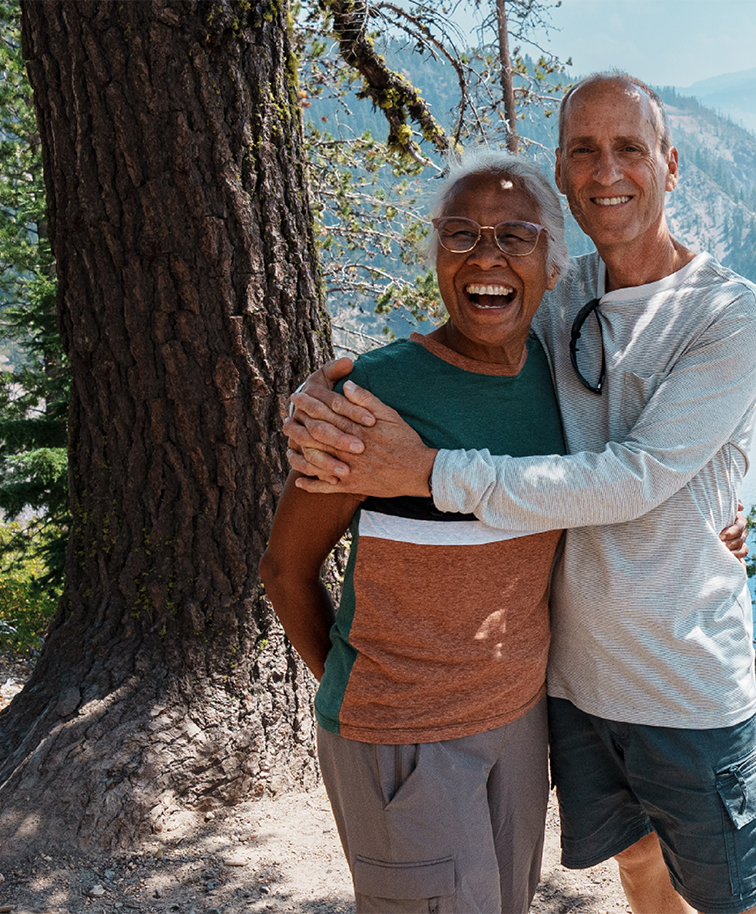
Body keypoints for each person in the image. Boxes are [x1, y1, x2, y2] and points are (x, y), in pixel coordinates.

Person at [287, 71, 756, 914]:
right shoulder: (561, 299)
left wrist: (429, 474)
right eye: (585, 150)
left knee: (736, 900)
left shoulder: (729, 312)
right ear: (561, 169)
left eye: (630, 148)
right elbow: (466, 355)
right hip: (572, 685)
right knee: (637, 870)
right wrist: (320, 399)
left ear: (670, 163)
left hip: (686, 682)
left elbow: (638, 477)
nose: (607, 171)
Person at [260, 150, 572, 914]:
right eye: (460, 235)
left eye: (515, 235)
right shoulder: (379, 392)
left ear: (554, 264)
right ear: (435, 257)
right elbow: (286, 568)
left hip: (519, 723)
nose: (485, 256)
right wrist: (365, 687)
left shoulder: (564, 375)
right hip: (402, 733)